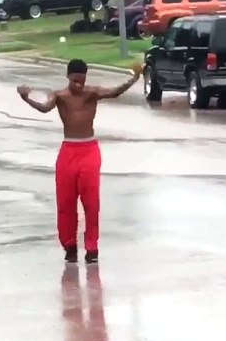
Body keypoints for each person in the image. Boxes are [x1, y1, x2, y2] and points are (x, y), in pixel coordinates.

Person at [17, 59, 143, 263]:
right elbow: (44, 108)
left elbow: (114, 92)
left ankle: (92, 247)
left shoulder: (91, 93)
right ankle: (69, 246)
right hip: (68, 151)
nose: (79, 85)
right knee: (66, 202)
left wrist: (133, 79)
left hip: (89, 150)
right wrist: (26, 98)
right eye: (75, 80)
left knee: (91, 202)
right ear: (68, 77)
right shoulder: (58, 95)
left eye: (82, 81)